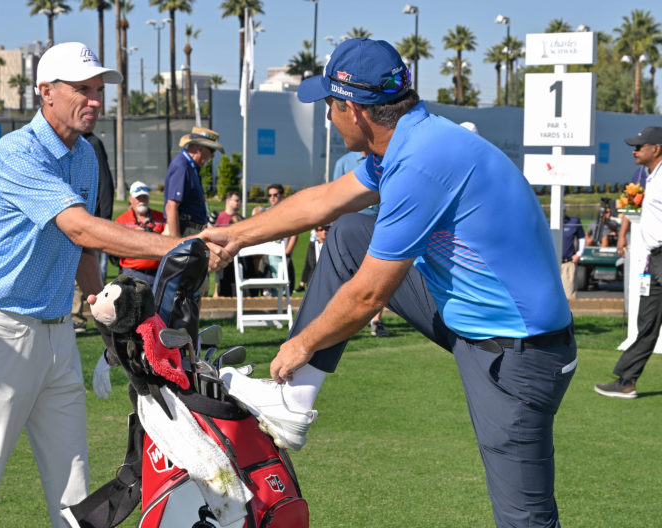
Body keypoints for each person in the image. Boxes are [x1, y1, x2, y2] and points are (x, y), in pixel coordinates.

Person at [201, 38, 576, 527]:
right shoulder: (411, 140)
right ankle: (296, 400)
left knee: (525, 517)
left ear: (354, 111)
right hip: (476, 324)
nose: (329, 117)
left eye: (331, 105)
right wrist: (235, 236)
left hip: (519, 355)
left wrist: (300, 346)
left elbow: (369, 294)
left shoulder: (421, 161)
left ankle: (293, 388)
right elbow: (325, 202)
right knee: (354, 231)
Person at [0, 42, 230, 528]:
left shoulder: (83, 156)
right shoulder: (17, 151)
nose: (95, 99)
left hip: (58, 336)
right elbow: (80, 227)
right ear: (46, 93)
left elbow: (79, 246)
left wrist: (98, 302)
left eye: (99, 90)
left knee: (74, 483)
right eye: (83, 89)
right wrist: (180, 246)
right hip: (0, 335)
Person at [595, 126, 662, 399]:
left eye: (639, 146)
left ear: (656, 149)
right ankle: (627, 381)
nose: (634, 150)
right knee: (646, 322)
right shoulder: (649, 176)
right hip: (653, 260)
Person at [332, 150, 389, 337]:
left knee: (378, 274)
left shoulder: (384, 159)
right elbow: (335, 196)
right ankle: (345, 321)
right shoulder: (344, 162)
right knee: (349, 275)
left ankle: (376, 321)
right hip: (350, 226)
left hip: (378, 226)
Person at [70, 131, 115, 332]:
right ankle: (80, 316)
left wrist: (104, 220)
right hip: (79, 220)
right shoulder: (75, 144)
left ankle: (83, 317)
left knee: (92, 273)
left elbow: (105, 182)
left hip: (92, 221)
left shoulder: (91, 143)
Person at [163, 126, 224, 239]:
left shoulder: (190, 168)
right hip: (183, 231)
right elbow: (171, 206)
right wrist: (177, 243)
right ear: (199, 149)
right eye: (211, 150)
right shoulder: (182, 167)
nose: (212, 155)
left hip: (190, 231)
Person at [114, 180, 167, 286]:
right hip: (132, 273)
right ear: (131, 199)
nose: (142, 201)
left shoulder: (161, 218)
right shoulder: (121, 221)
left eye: (144, 197)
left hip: (158, 273)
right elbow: (114, 248)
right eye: (138, 198)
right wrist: (133, 236)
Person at [266, 184, 297, 293]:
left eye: (275, 195)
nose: (272, 198)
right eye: (270, 195)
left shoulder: (288, 212)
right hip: (269, 256)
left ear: (281, 195)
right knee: (269, 288)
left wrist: (287, 252)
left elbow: (294, 234)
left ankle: (283, 309)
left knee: (285, 288)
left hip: (283, 255)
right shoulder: (266, 212)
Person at [214, 191, 244, 297]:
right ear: (228, 201)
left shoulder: (241, 219)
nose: (238, 203)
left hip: (239, 258)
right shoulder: (219, 218)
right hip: (222, 256)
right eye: (236, 200)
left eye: (239, 200)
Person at [561, 211, 586, 299]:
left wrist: (579, 253)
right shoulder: (549, 223)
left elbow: (582, 238)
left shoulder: (573, 222)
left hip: (568, 263)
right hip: (553, 264)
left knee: (569, 294)